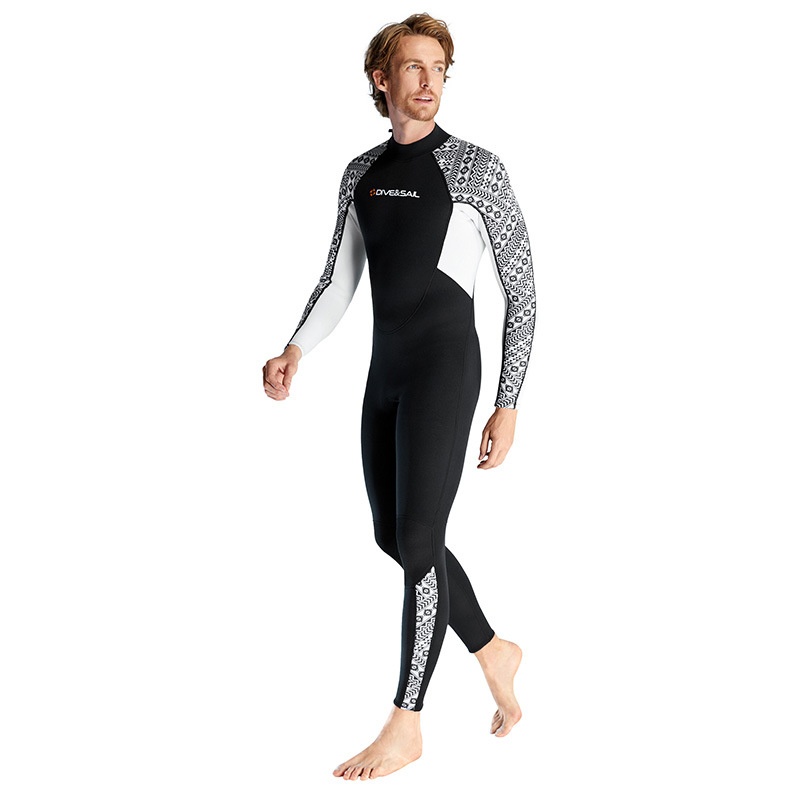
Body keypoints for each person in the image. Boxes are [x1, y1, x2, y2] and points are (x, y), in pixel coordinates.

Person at [262, 13, 536, 780]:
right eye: (414, 67)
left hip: (447, 368)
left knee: (419, 538)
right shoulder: (363, 173)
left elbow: (522, 290)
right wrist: (294, 348)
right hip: (385, 373)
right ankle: (494, 650)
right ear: (381, 79)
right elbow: (339, 277)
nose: (429, 80)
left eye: (440, 68)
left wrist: (508, 400)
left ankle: (405, 722)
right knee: (395, 537)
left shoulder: (475, 169)